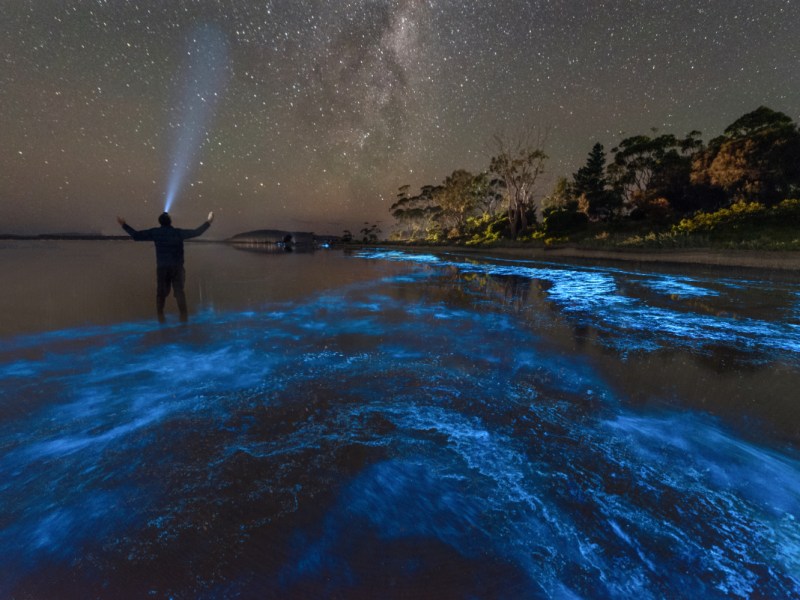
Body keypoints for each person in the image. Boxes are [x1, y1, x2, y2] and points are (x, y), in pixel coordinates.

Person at [117, 211, 214, 322]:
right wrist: (209, 222)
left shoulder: (156, 232)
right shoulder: (178, 233)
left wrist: (123, 224)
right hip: (177, 268)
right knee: (179, 292)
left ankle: (160, 316)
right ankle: (183, 316)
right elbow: (197, 232)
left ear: (160, 222)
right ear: (170, 221)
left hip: (163, 268)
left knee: (161, 294)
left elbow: (136, 235)